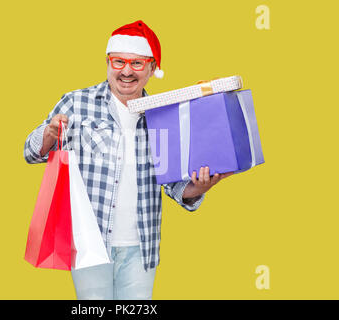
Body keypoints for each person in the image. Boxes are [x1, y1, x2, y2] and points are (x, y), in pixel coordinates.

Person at [23, 20, 233, 300]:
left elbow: (174, 187)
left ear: (151, 68)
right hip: (89, 243)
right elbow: (29, 152)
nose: (126, 71)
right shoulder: (76, 102)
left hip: (141, 246)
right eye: (118, 61)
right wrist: (49, 134)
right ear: (108, 63)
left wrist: (203, 187)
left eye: (136, 63)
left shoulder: (163, 116)